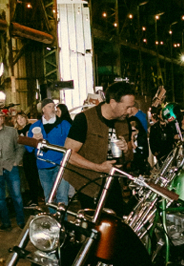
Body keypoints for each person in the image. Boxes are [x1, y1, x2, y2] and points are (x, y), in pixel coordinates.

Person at [60, 80, 138, 208]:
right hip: (88, 185)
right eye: (127, 107)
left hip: (114, 182)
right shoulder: (84, 119)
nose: (130, 111)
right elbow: (69, 155)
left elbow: (129, 157)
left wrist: (126, 149)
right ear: (113, 102)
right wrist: (98, 167)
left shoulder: (124, 123)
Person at [21, 100, 72, 206]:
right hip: (42, 167)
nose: (53, 109)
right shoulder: (35, 126)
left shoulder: (64, 124)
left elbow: (73, 143)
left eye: (54, 106)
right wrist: (34, 141)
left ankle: (62, 221)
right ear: (43, 109)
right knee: (49, 198)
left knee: (62, 197)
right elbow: (29, 149)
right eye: (49, 106)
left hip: (61, 165)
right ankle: (53, 221)